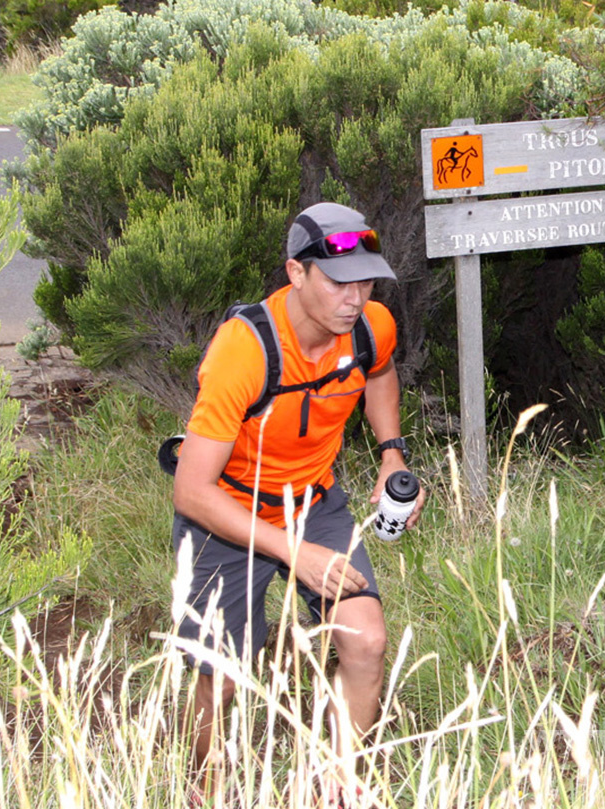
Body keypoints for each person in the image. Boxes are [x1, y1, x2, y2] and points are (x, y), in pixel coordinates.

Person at [170, 202, 426, 798]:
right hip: (228, 512)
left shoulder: (371, 327)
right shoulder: (244, 350)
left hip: (314, 502)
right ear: (296, 272)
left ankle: (338, 788)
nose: (355, 298)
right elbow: (191, 489)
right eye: (339, 282)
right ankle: (205, 789)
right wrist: (293, 552)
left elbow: (380, 373)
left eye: (366, 282)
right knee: (221, 676)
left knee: (366, 641)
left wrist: (392, 452)